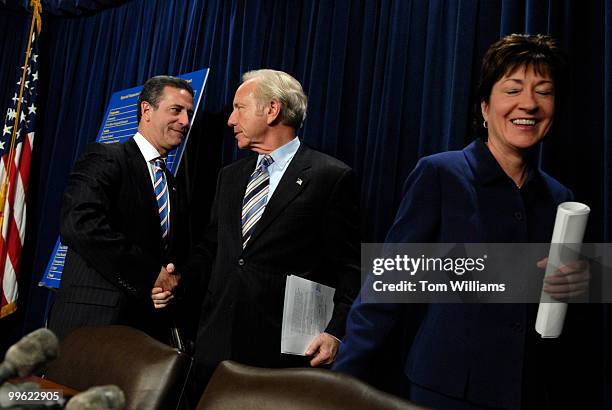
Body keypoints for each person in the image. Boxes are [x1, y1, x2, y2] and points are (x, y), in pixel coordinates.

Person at [333, 34, 590, 409]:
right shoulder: (440, 174)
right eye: (513, 89)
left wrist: (582, 283)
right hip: (447, 392)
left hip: (530, 391)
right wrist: (341, 382)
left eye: (544, 92)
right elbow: (388, 284)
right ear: (485, 108)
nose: (530, 103)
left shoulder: (560, 198)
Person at [153, 69, 359, 392]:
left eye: (239, 108)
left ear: (272, 110)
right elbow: (212, 248)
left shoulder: (330, 177)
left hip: (277, 360)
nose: (230, 120)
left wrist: (336, 331)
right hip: (215, 349)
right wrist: (179, 277)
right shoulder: (230, 177)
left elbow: (350, 268)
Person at [48, 75, 194, 344]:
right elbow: (79, 224)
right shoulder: (105, 157)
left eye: (188, 113)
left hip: (142, 330)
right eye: (176, 110)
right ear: (146, 110)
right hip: (91, 321)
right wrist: (150, 274)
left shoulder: (173, 184)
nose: (185, 121)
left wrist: (166, 283)